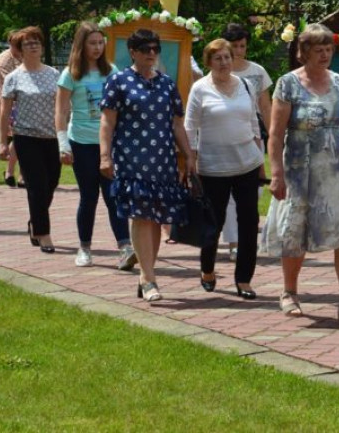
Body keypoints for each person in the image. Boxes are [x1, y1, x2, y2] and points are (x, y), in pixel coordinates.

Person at [261, 23, 339, 327]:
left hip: (337, 169)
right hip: (300, 168)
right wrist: (276, 173)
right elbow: (275, 133)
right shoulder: (287, 84)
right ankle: (289, 292)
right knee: (294, 231)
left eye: (329, 49)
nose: (325, 55)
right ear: (304, 53)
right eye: (318, 50)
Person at [100, 29, 193, 302]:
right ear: (133, 52)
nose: (151, 53)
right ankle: (149, 278)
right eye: (145, 49)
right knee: (141, 215)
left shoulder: (166, 83)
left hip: (162, 160)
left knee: (156, 219)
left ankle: (146, 274)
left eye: (155, 49)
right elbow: (107, 121)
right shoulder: (118, 81)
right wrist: (104, 156)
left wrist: (188, 154)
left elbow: (177, 123)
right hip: (132, 159)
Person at [184, 38, 263, 299]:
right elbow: (190, 127)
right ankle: (207, 269)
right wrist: (189, 158)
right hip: (213, 168)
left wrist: (260, 155)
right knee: (213, 224)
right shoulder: (200, 88)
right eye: (218, 58)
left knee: (249, 222)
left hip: (247, 164)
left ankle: (244, 279)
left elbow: (253, 121)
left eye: (227, 57)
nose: (224, 63)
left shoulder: (246, 85)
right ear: (208, 62)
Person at [55, 22, 134, 270]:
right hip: (81, 142)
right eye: (92, 43)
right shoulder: (70, 74)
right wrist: (62, 144)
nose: (97, 47)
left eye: (101, 43)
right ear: (81, 45)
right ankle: (85, 248)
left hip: (108, 144)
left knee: (114, 196)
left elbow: (121, 108)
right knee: (89, 197)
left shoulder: (111, 71)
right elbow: (60, 111)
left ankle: (125, 247)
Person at [0, 27, 61, 253]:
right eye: (28, 43)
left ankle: (35, 220)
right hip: (26, 138)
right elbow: (4, 113)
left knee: (51, 184)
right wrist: (2, 142)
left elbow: (64, 108)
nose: (33, 46)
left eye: (37, 42)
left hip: (52, 137)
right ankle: (43, 233)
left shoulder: (54, 74)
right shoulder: (14, 78)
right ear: (18, 51)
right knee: (36, 186)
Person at [219, 22, 272, 261]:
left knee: (255, 187)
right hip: (224, 134)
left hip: (253, 133)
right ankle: (233, 242)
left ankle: (246, 236)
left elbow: (266, 105)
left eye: (242, 46)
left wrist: (273, 135)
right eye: (235, 46)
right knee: (229, 191)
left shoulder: (257, 71)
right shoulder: (219, 72)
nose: (239, 51)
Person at [0, 36, 22, 188]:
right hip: (9, 104)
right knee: (19, 137)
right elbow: (10, 83)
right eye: (18, 45)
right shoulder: (3, 60)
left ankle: (17, 174)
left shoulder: (26, 56)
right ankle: (11, 171)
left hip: (26, 103)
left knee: (24, 136)